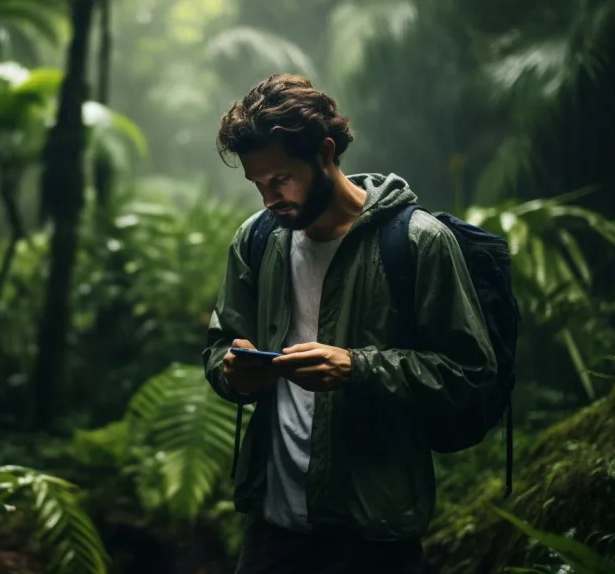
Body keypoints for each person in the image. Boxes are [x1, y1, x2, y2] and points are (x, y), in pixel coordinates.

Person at [202, 73, 498, 573]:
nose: (269, 199)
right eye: (259, 185)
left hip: (374, 531)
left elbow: (471, 373)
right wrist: (233, 373)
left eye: (281, 179)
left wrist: (358, 368)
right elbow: (218, 348)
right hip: (272, 526)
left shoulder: (417, 241)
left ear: (325, 153)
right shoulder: (257, 240)